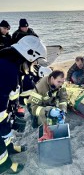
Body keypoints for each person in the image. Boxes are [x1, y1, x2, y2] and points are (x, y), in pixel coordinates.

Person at [0, 35, 47, 174]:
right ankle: (4, 166)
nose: (36, 64)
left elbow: (19, 94)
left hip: (3, 108)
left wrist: (16, 113)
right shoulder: (6, 69)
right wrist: (7, 118)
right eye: (36, 61)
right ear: (30, 55)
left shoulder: (15, 64)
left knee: (5, 130)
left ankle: (8, 148)